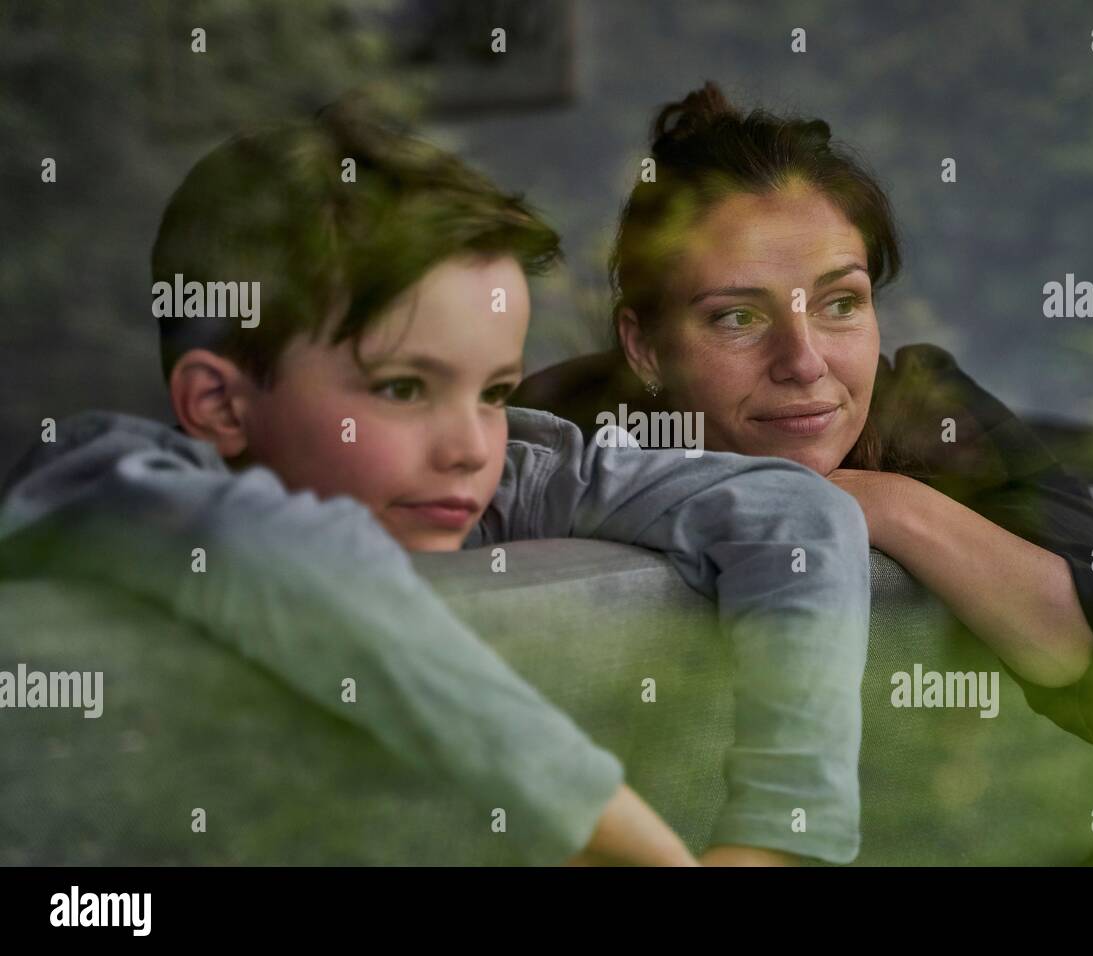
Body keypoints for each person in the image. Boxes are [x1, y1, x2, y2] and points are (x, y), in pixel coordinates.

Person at [0, 100, 873, 867]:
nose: (468, 446)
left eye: (493, 391)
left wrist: (769, 841)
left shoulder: (505, 475)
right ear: (218, 405)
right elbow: (277, 551)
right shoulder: (102, 482)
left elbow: (791, 512)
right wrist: (603, 823)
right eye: (404, 389)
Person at [512, 82, 1093, 768]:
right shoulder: (553, 436)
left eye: (840, 303)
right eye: (737, 316)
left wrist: (894, 506)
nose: (803, 361)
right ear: (643, 347)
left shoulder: (926, 417)